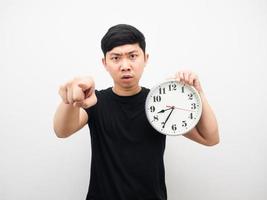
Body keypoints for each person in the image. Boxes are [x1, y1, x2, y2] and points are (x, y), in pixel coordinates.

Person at [53, 24, 219, 200]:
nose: (125, 66)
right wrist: (72, 98)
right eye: (116, 58)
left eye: (133, 56)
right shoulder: (94, 101)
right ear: (105, 63)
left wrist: (198, 93)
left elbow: (210, 138)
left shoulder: (160, 101)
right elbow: (61, 131)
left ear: (145, 59)